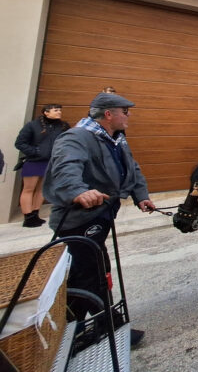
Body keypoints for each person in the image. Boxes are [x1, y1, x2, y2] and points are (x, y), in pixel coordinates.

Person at [43, 92, 154, 347]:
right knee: (89, 273)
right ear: (108, 114)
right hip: (79, 219)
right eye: (125, 111)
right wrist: (78, 191)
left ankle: (67, 332)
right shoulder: (77, 137)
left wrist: (140, 195)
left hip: (101, 215)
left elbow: (131, 167)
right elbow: (65, 167)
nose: (129, 116)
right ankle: (104, 326)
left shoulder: (114, 138)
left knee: (91, 270)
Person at [14, 104, 70, 227]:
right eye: (56, 110)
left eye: (60, 110)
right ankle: (28, 217)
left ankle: (35, 213)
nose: (59, 112)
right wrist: (35, 152)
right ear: (46, 112)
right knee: (29, 189)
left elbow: (67, 142)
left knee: (41, 189)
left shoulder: (63, 126)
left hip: (51, 161)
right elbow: (20, 143)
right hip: (34, 161)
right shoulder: (32, 125)